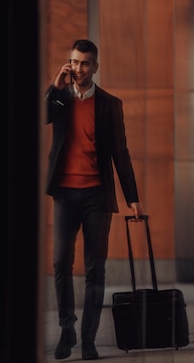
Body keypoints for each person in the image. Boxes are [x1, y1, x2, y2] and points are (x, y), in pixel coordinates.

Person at [45, 39, 143, 360]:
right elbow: (44, 115)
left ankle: (88, 338)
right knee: (60, 261)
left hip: (97, 197)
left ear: (95, 67)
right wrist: (55, 86)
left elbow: (121, 154)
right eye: (74, 62)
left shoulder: (109, 105)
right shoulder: (60, 100)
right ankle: (66, 328)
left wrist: (133, 198)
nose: (78, 68)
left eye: (85, 63)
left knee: (94, 269)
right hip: (65, 194)